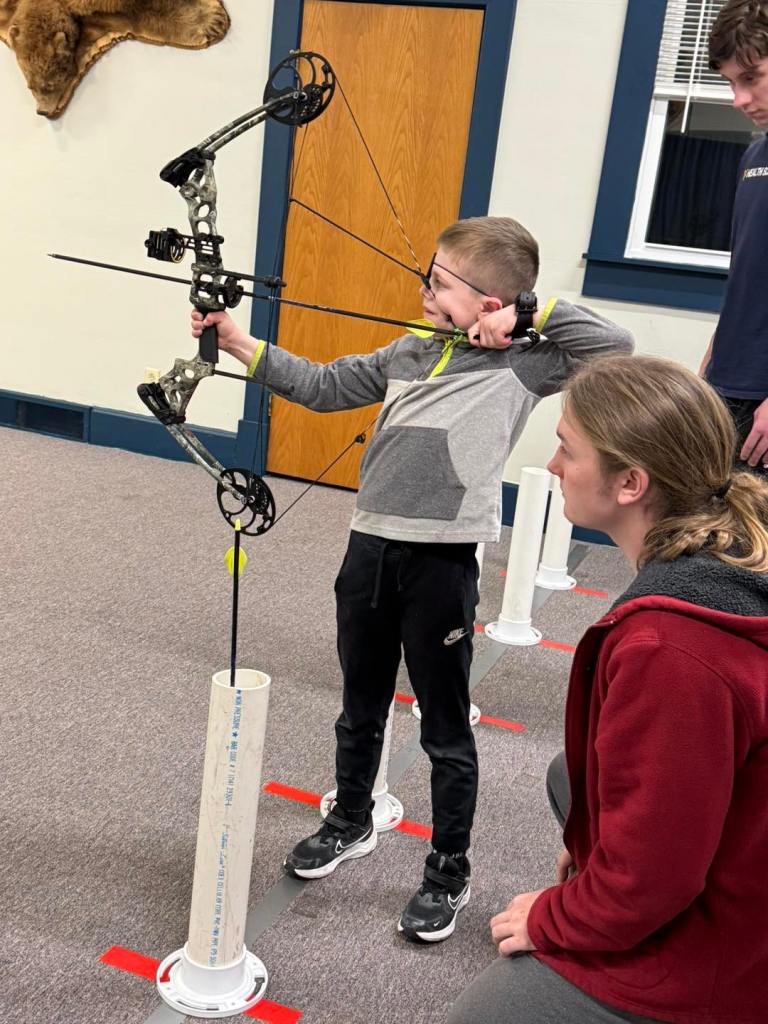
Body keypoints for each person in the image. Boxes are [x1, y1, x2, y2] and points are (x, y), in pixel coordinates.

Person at [191, 216, 633, 943]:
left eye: (442, 282)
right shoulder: (408, 350)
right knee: (359, 701)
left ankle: (448, 867)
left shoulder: (525, 362)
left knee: (444, 722)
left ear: (490, 303)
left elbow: (613, 347)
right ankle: (351, 818)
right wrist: (239, 342)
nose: (425, 290)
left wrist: (530, 315)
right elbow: (326, 385)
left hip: (442, 560)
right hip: (370, 546)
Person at [449, 354, 768, 1023]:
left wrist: (557, 916)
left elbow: (654, 880)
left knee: (483, 1015)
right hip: (742, 845)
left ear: (630, 483)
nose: (555, 464)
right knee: (576, 775)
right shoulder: (722, 552)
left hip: (737, 958)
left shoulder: (670, 650)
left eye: (568, 448)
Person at [701, 0, 768, 472]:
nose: (738, 100)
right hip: (729, 387)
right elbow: (747, 280)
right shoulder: (753, 159)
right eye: (731, 83)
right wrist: (707, 371)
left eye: (752, 77)